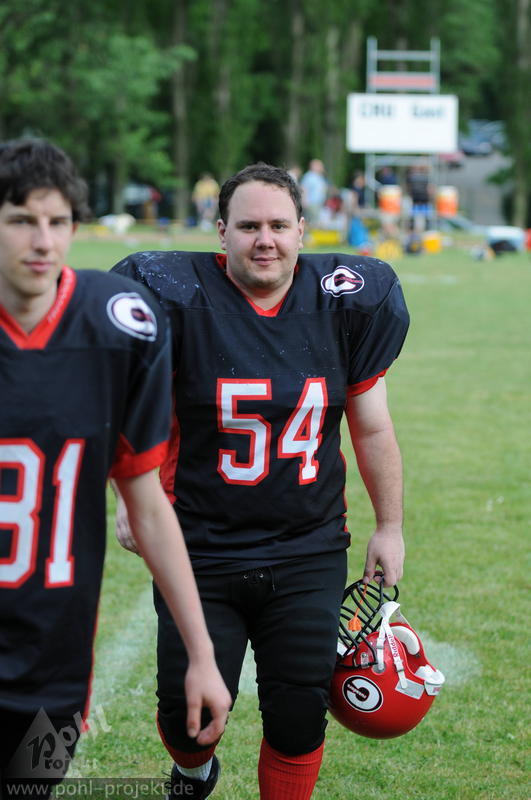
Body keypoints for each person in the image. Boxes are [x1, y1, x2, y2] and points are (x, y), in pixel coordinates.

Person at [112, 163, 410, 800]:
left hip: (308, 545)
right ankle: (194, 772)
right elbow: (130, 407)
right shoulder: (174, 296)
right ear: (222, 232)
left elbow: (373, 427)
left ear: (303, 230)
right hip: (198, 545)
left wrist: (390, 527)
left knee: (299, 711)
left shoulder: (344, 302)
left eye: (278, 225)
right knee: (189, 718)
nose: (265, 240)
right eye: (249, 226)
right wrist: (130, 497)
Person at [0, 138, 230, 799]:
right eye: (21, 220)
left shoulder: (119, 324)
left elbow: (148, 506)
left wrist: (202, 654)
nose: (43, 240)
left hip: (57, 668)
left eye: (59, 221)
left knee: (32, 789)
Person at [299, 158, 328, 227]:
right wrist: (304, 200)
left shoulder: (320, 177)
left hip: (319, 204)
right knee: (312, 222)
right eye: (320, 165)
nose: (321, 167)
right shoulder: (309, 176)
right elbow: (304, 189)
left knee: (315, 221)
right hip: (312, 203)